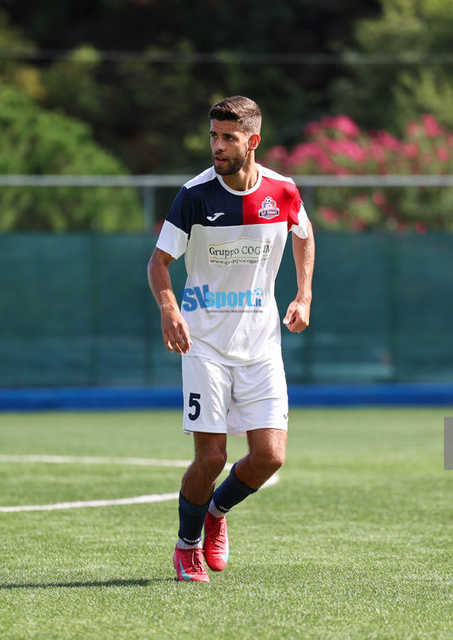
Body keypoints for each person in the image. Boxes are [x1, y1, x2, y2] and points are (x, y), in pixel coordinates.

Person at [147, 96, 315, 582]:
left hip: (261, 346)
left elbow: (304, 234)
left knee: (271, 456)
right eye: (213, 136)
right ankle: (187, 546)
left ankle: (217, 512)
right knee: (212, 458)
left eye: (228, 137)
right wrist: (169, 309)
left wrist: (304, 294)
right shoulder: (194, 195)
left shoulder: (282, 191)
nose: (217, 146)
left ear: (253, 141)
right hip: (205, 346)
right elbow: (159, 262)